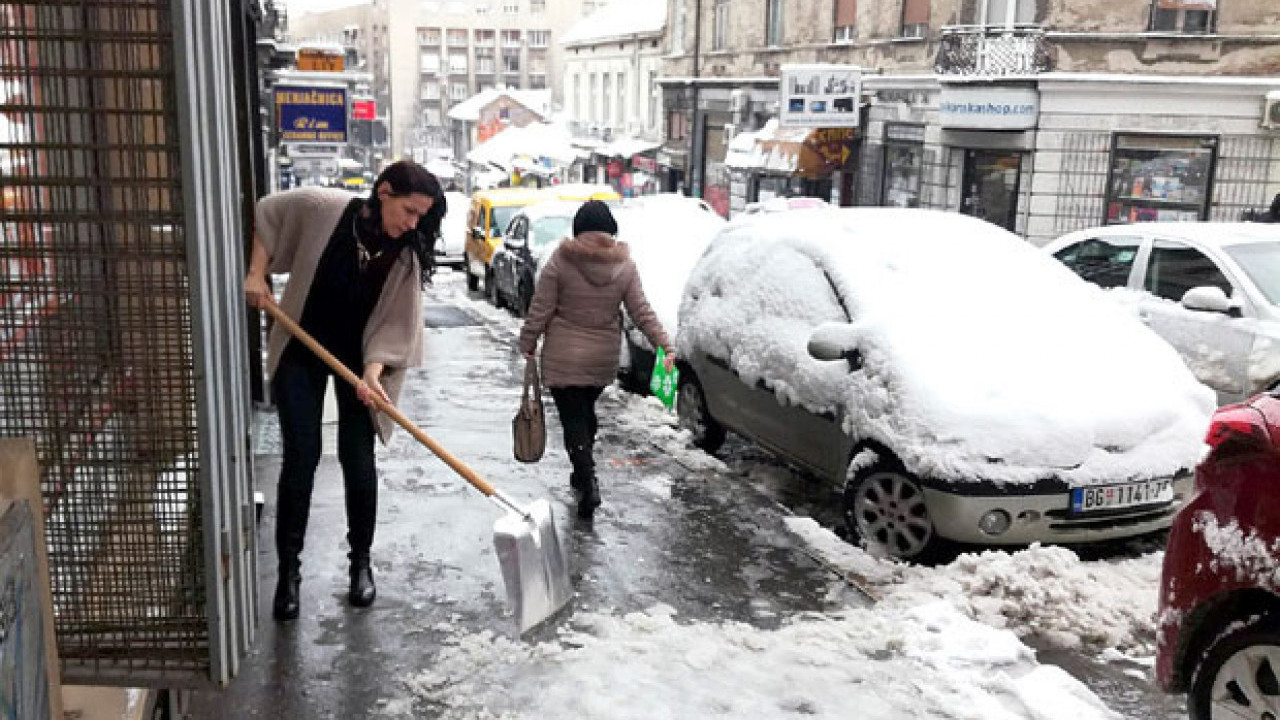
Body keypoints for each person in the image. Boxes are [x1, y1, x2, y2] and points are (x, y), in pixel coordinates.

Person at [244, 160, 446, 620]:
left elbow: (396, 326)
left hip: (358, 358)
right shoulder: (323, 209)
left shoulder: (406, 256)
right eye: (409, 211)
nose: (414, 223)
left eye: (421, 216)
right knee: (302, 454)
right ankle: (288, 575)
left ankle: (361, 563)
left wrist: (373, 374)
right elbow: (268, 213)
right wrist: (258, 274)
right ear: (384, 192)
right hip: (302, 343)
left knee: (358, 458)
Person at [518, 200, 673, 520]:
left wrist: (528, 341)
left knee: (573, 418)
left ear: (578, 230)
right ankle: (581, 470)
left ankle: (587, 477)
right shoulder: (625, 267)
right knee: (585, 412)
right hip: (602, 357)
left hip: (563, 356)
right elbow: (640, 311)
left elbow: (541, 307)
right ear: (610, 231)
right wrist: (663, 344)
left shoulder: (560, 261)